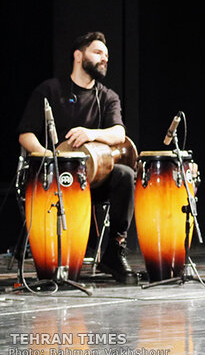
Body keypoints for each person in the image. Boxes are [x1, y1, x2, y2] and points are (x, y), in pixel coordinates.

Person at [17, 32, 138, 284]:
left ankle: (115, 250)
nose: (104, 59)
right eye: (98, 53)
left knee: (125, 175)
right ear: (78, 56)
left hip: (94, 180)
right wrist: (48, 156)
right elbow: (26, 134)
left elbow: (119, 133)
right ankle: (55, 256)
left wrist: (90, 133)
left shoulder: (107, 96)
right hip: (56, 179)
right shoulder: (50, 90)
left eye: (107, 55)